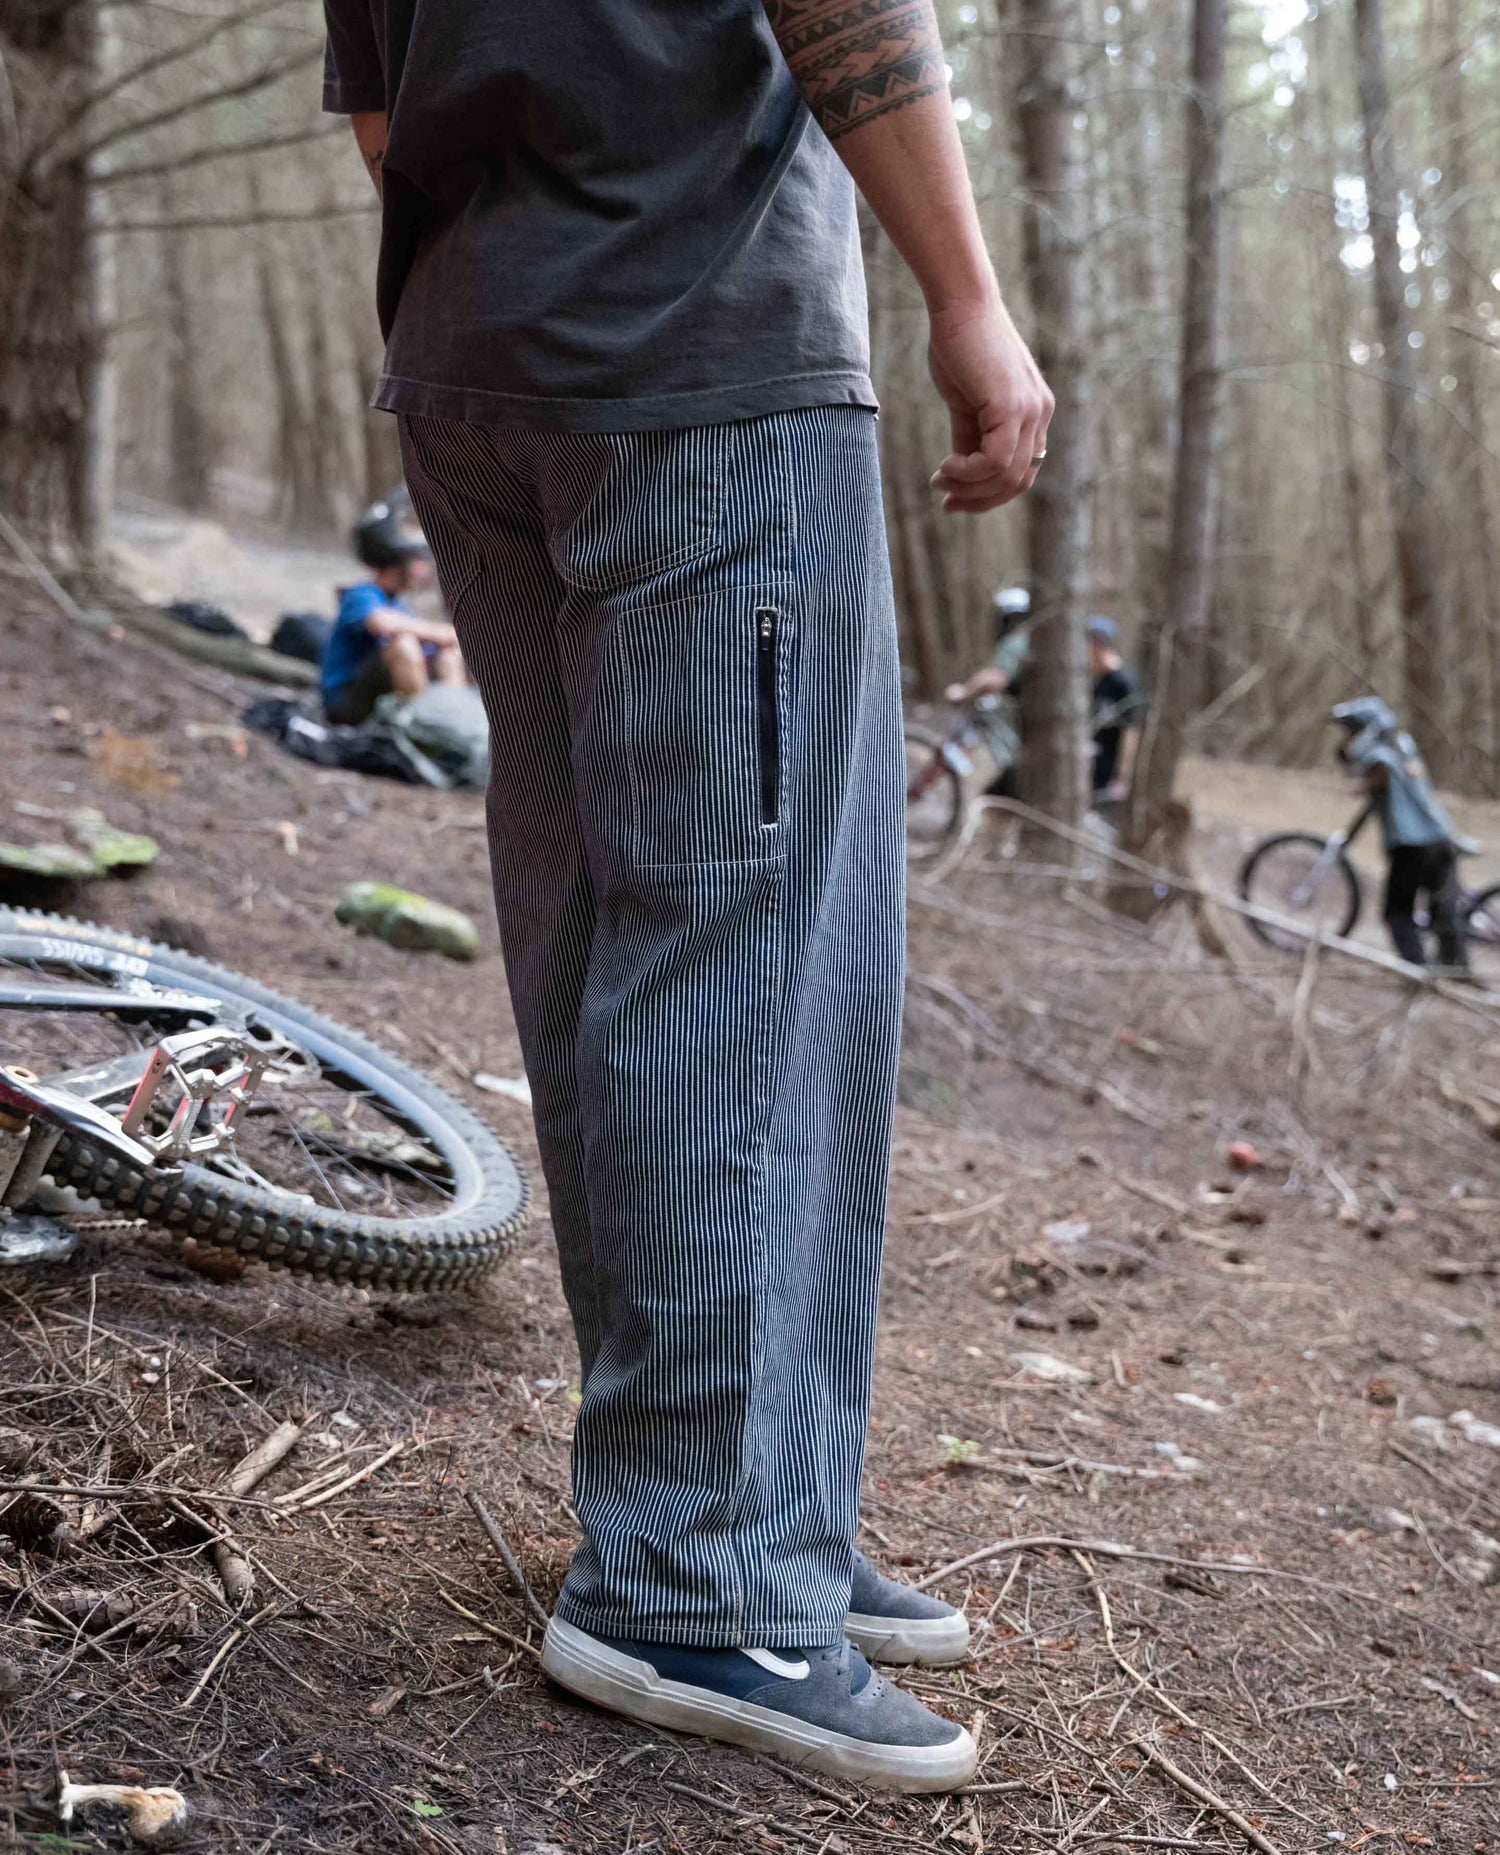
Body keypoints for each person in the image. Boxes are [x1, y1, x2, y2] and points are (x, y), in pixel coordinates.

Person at [321, 0, 1051, 1791]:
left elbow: (373, 106)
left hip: (479, 369)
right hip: (702, 361)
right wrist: (968, 296)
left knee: (607, 932)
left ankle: (747, 1512)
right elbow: (845, 14)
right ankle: (696, 1571)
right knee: (751, 950)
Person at [1331, 697, 1468, 970]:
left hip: (1413, 845)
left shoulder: (1380, 755)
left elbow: (1378, 780)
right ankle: (1456, 968)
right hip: (1439, 837)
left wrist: (1360, 785)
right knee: (1443, 911)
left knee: (1398, 911)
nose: (1346, 737)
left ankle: (1417, 969)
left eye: (1349, 730)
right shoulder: (1403, 746)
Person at [321, 500, 464, 725]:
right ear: (396, 562)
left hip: (375, 698)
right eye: (417, 561)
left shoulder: (398, 605)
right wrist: (445, 632)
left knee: (448, 654)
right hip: (344, 704)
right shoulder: (361, 594)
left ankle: (455, 726)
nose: (423, 570)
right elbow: (382, 624)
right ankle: (423, 728)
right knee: (403, 644)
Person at [1087, 616, 1143, 804]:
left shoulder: (1123, 683)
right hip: (1091, 768)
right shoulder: (1097, 681)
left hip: (1109, 773)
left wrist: (1122, 776)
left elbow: (1131, 730)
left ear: (1097, 645)